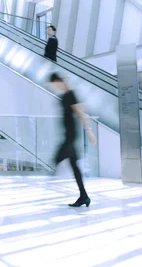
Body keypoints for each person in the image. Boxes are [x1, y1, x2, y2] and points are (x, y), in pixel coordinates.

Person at [48, 73, 96, 207]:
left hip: (71, 136)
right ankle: (84, 196)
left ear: (59, 82)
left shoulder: (70, 94)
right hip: (68, 135)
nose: (54, 87)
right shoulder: (64, 96)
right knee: (74, 166)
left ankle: (48, 178)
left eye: (55, 84)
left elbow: (80, 112)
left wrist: (89, 131)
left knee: (57, 159)